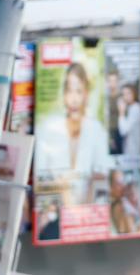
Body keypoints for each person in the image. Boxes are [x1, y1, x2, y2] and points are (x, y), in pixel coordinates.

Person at [35, 62, 109, 200]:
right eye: (69, 91)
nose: (74, 99)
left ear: (86, 94)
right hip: (53, 211)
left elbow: (102, 175)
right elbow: (39, 181)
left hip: (89, 210)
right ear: (63, 95)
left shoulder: (97, 130)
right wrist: (63, 191)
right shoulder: (48, 128)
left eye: (79, 91)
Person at [117, 83, 140, 157]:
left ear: (134, 93)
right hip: (130, 151)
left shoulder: (136, 108)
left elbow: (123, 131)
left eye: (128, 93)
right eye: (124, 94)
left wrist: (121, 112)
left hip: (134, 153)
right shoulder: (130, 108)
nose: (126, 96)